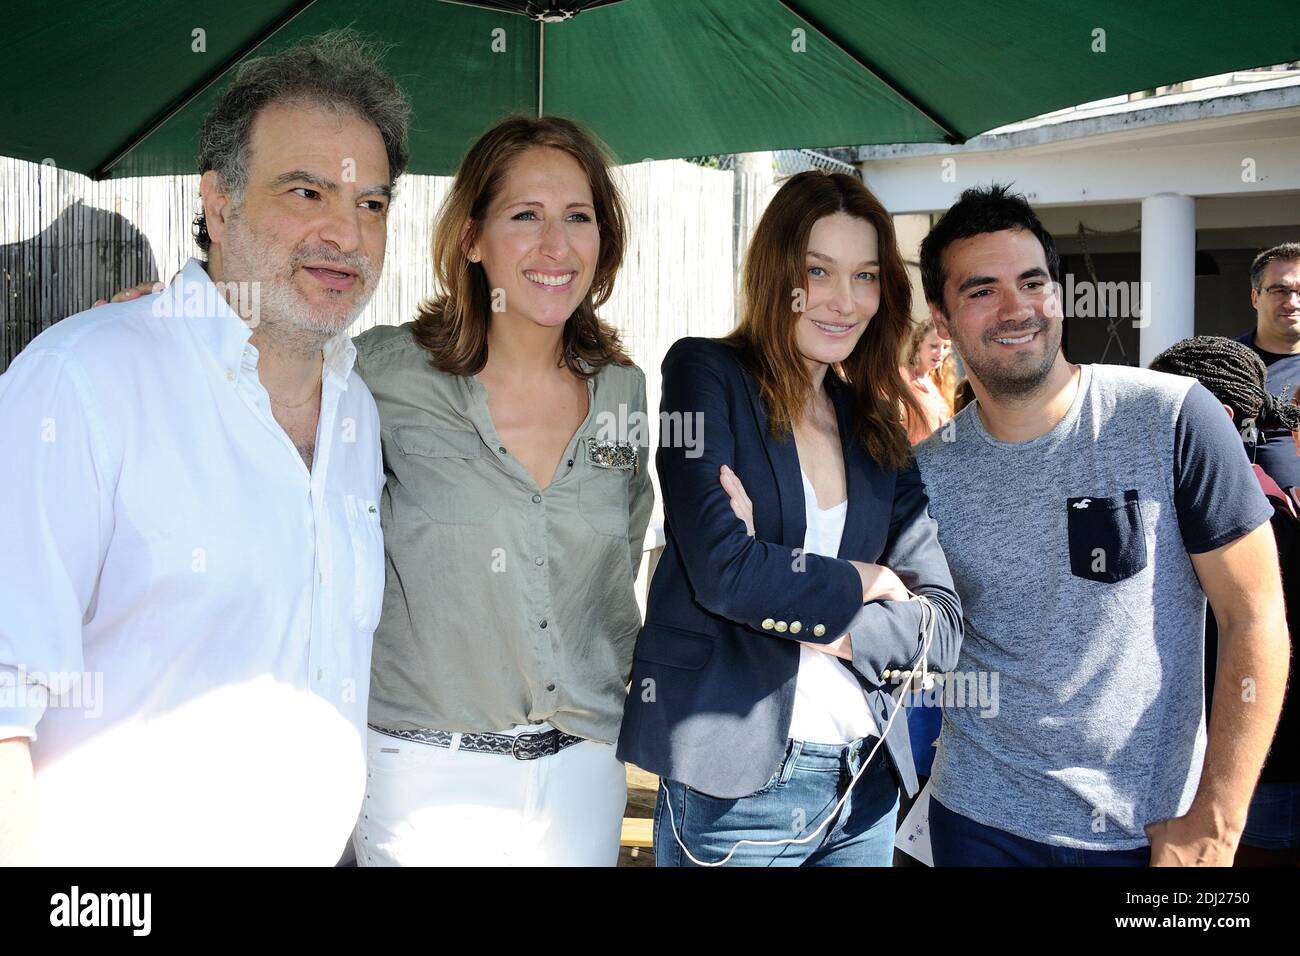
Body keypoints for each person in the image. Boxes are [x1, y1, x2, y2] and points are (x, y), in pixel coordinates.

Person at [0, 33, 407, 864]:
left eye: (371, 204)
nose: (348, 233)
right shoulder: (83, 382)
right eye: (307, 192)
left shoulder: (357, 413)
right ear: (219, 207)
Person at [913, 184, 1288, 867]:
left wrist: (1218, 823)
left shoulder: (1174, 418)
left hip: (1151, 834)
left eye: (1032, 282)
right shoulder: (925, 474)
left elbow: (1255, 614)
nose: (1016, 308)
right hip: (978, 823)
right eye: (981, 290)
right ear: (942, 316)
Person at [619, 170, 963, 867]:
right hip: (734, 788)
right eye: (818, 271)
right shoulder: (705, 374)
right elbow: (722, 574)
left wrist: (788, 588)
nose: (844, 300)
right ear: (780, 274)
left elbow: (942, 629)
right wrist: (867, 577)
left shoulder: (877, 428)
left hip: (863, 788)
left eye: (865, 275)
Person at [349, 115, 654, 866]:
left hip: (584, 772)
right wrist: (169, 325)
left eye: (577, 218)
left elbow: (624, 570)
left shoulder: (623, 392)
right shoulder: (380, 375)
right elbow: (258, 396)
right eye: (526, 216)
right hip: (424, 782)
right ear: (471, 238)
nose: (556, 246)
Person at [1150, 335, 1300, 866]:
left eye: (1162, 405)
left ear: (1217, 414)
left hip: (1253, 776)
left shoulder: (1256, 516)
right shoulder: (1251, 496)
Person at [1235, 243, 1300, 489]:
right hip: (1241, 519)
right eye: (1279, 290)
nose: (1292, 302)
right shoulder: (1223, 365)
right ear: (1255, 297)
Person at [901, 319, 955, 443]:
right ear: (918, 345)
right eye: (934, 346)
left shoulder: (940, 383)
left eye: (946, 347)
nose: (940, 353)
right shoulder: (902, 378)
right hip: (912, 458)